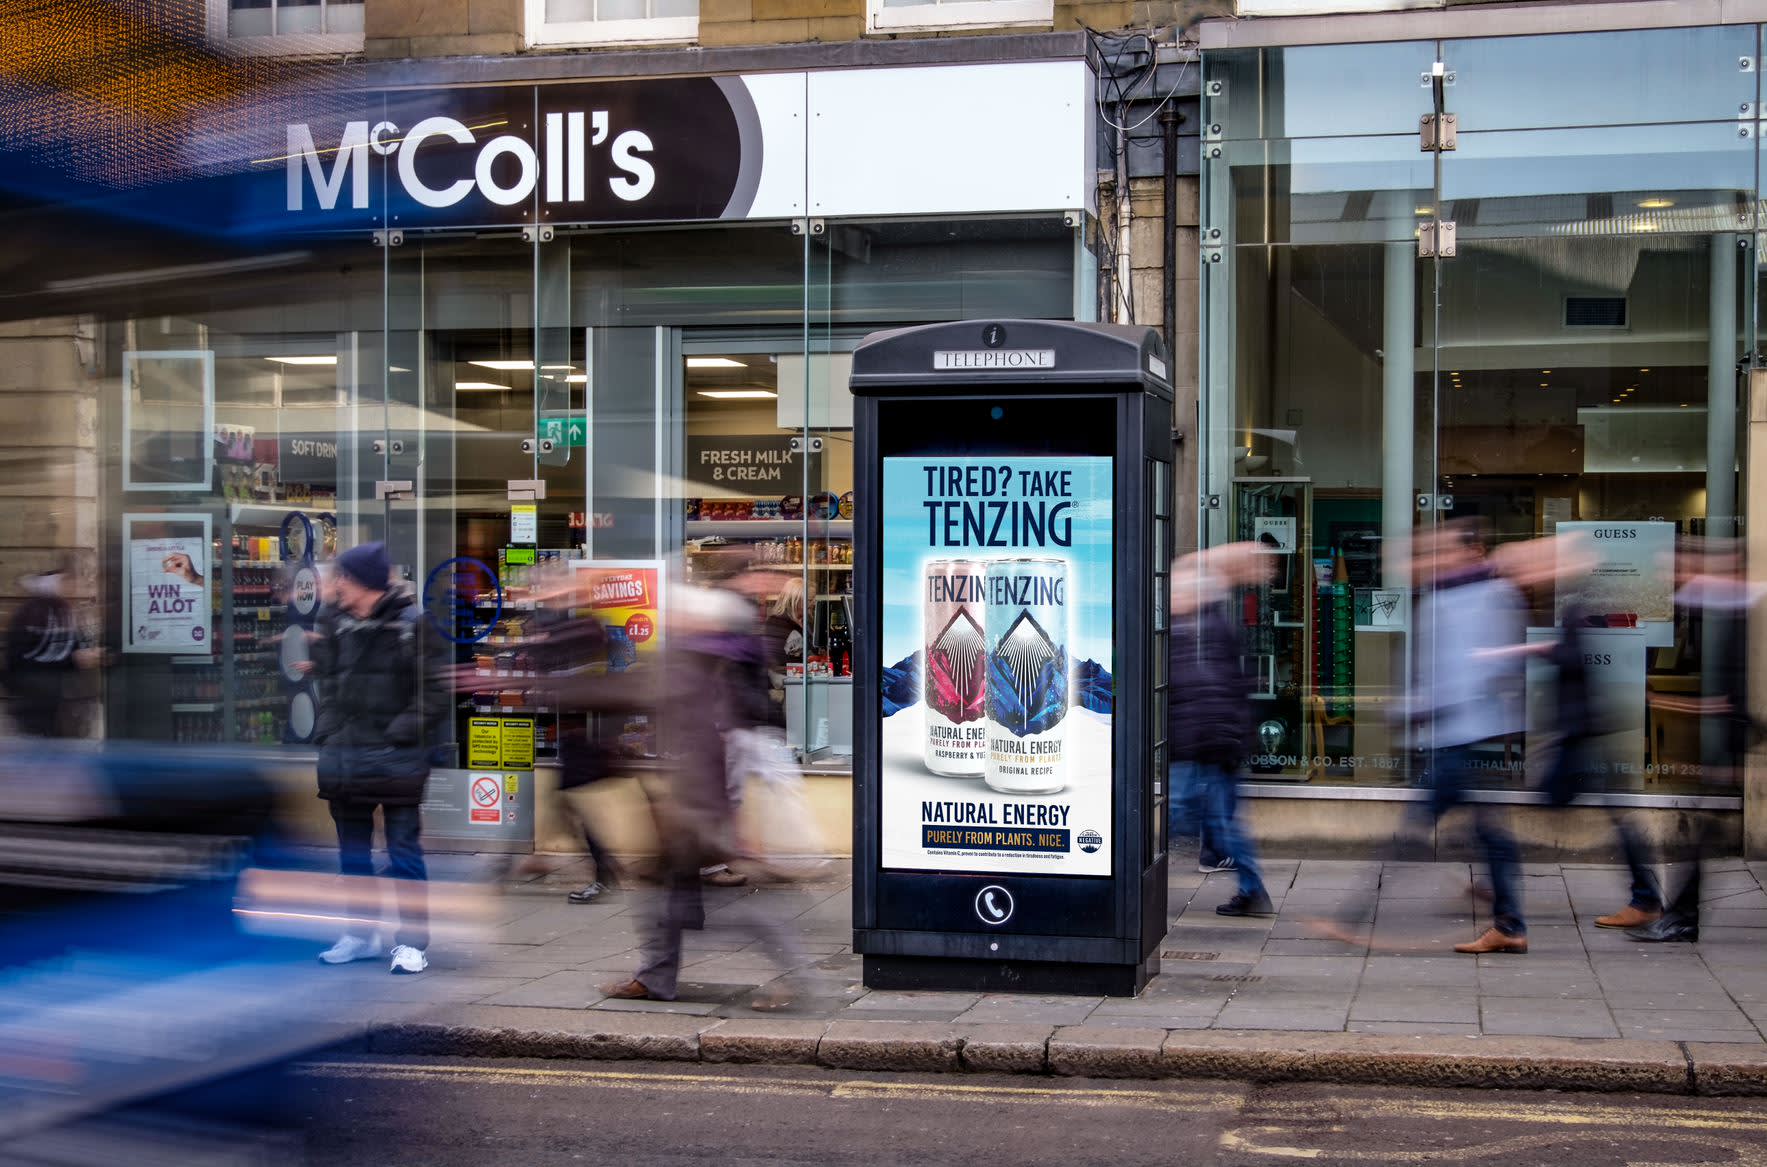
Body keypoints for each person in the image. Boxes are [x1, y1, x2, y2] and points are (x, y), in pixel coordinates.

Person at [603, 582, 808, 1010]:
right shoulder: (696, 662)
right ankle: (655, 977)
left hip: (697, 810)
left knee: (727, 912)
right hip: (685, 805)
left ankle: (797, 976)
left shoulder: (704, 668)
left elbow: (718, 745)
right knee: (666, 897)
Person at [1498, 535, 1663, 931]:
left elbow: (1572, 657)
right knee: (1590, 807)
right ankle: (1645, 897)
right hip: (1583, 729)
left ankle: (1645, 898)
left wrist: (1530, 651)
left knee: (1559, 803)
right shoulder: (1576, 603)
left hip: (1581, 732)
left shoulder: (1574, 605)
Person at [310, 541, 448, 974]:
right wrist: (330, 730)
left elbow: (436, 689)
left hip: (396, 757)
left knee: (403, 850)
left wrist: (400, 733)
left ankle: (411, 943)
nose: (335, 586)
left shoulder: (413, 624)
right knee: (353, 853)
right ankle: (360, 933)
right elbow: (328, 682)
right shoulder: (333, 622)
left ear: (360, 582)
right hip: (346, 755)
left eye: (341, 578)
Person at [1625, 536, 1761, 943]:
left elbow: (1727, 698)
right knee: (1697, 837)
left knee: (1696, 839)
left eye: (1680, 565)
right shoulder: (1716, 606)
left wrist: (1660, 700)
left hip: (1731, 738)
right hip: (1732, 738)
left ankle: (1682, 917)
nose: (1674, 573)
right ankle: (1681, 916)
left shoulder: (1731, 609)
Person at [1408, 521, 1529, 956]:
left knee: (1415, 826)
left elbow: (1487, 668)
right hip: (1454, 733)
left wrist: (1425, 706)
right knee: (1488, 833)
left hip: (1473, 733)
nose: (1434, 559)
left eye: (1443, 551)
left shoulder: (1494, 596)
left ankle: (1351, 915)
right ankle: (1509, 921)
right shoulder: (1442, 598)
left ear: (1474, 551)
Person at [1169, 543, 1271, 917]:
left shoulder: (1200, 630)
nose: (1174, 595)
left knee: (1184, 816)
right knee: (1218, 821)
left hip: (1206, 745)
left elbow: (1207, 694)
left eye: (1180, 589)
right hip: (1211, 744)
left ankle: (1127, 881)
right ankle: (1251, 889)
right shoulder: (1199, 627)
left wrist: (1206, 742)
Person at [4, 563, 100, 738]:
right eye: (68, 582)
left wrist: (86, 656)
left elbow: (75, 648)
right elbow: (19, 660)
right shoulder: (32, 613)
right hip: (36, 702)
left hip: (62, 702)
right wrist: (74, 660)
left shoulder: (69, 612)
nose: (75, 588)